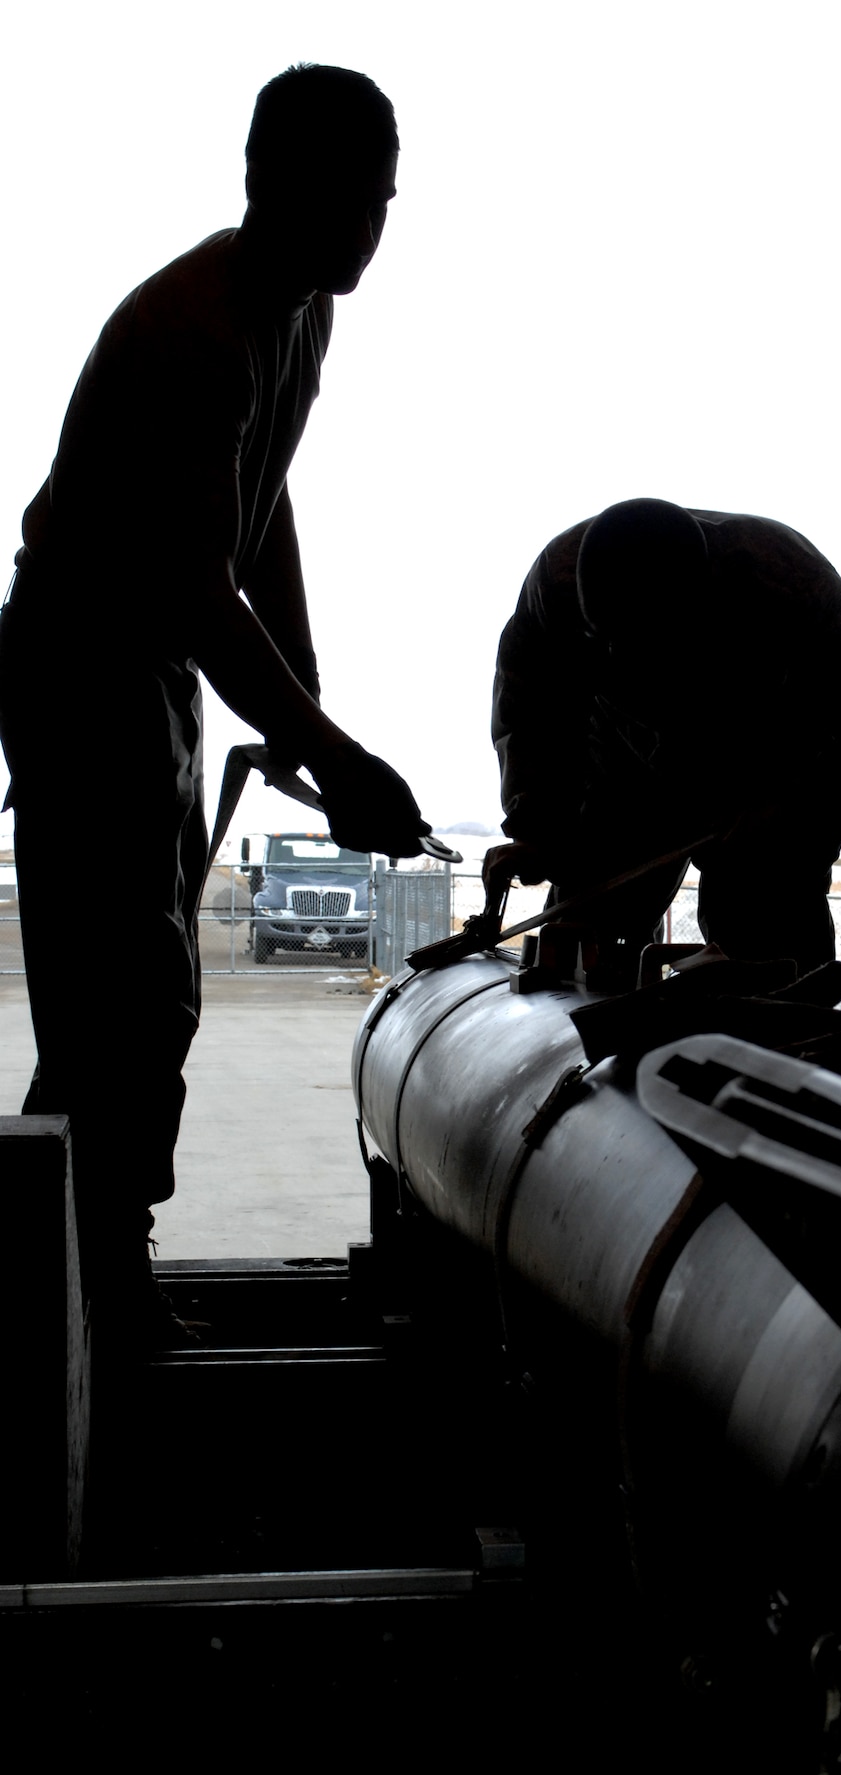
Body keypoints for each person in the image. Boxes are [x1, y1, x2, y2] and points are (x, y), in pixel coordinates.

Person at [0, 64, 429, 1337]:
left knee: (156, 983)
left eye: (381, 204)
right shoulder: (196, 328)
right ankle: (83, 1295)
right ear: (261, 184)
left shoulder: (303, 310)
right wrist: (334, 754)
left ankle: (100, 1274)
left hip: (156, 672)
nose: (364, 232)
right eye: (341, 201)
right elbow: (195, 586)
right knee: (110, 1000)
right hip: (84, 672)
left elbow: (265, 492)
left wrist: (303, 688)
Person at [486, 497, 841, 982]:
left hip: (768, 777)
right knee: (584, 948)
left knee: (770, 960)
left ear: (702, 604)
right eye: (607, 641)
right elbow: (529, 715)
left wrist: (795, 814)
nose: (630, 664)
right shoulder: (556, 582)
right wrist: (537, 827)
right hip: (622, 778)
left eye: (652, 644)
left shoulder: (788, 582)